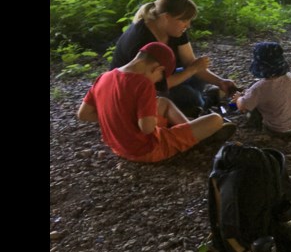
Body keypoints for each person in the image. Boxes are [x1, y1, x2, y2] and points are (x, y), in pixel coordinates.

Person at [77, 42, 236, 163]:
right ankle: (195, 138)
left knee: (162, 102)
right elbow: (147, 128)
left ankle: (190, 128)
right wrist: (146, 117)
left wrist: (118, 118)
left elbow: (83, 114)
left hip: (118, 146)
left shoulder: (104, 77)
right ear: (157, 69)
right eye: (159, 78)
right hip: (147, 149)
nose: (156, 83)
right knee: (216, 119)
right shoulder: (143, 84)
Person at [110, 0, 238, 116]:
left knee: (198, 79)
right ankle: (203, 102)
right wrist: (191, 70)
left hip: (164, 78)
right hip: (136, 90)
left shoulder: (175, 30)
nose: (187, 25)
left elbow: (190, 63)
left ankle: (196, 105)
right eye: (184, 20)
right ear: (166, 17)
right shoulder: (140, 39)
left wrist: (220, 82)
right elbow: (153, 85)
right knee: (189, 96)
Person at [232, 42, 291, 135]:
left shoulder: (259, 88)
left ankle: (257, 127)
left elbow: (242, 106)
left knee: (249, 105)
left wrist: (238, 98)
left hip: (278, 129)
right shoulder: (290, 76)